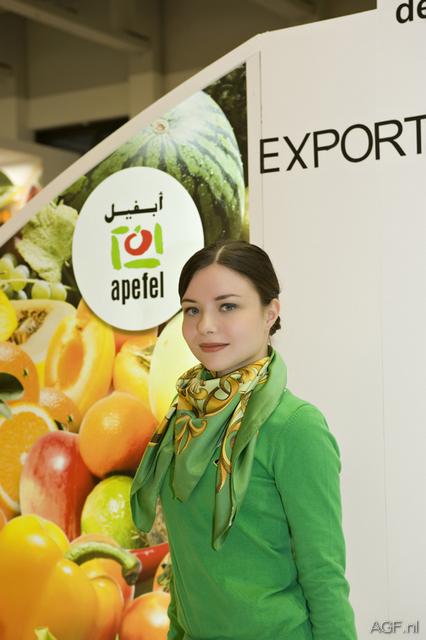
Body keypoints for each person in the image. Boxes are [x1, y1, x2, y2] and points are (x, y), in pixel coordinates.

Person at [131, 239, 357, 640]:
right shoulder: (183, 420)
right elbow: (187, 566)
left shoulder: (295, 428)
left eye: (228, 306)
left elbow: (324, 577)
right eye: (192, 310)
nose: (205, 325)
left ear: (271, 312)